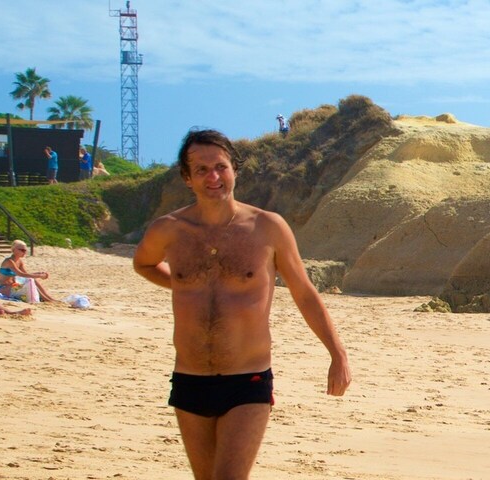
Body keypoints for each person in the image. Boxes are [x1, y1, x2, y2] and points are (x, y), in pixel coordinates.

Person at [132, 129, 351, 479]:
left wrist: (337, 354)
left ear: (235, 169)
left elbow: (304, 292)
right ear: (187, 178)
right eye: (201, 170)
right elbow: (142, 263)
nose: (213, 177)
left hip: (246, 381)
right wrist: (181, 283)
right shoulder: (169, 230)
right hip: (189, 379)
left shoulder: (267, 227)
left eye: (220, 166)